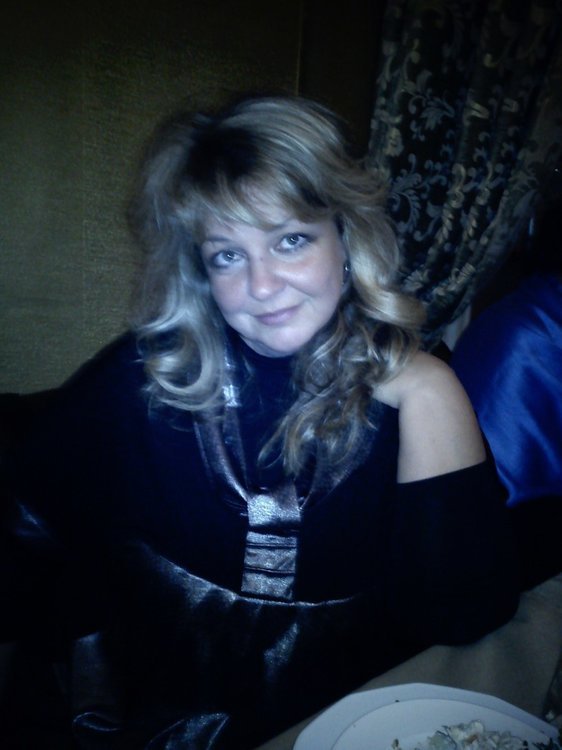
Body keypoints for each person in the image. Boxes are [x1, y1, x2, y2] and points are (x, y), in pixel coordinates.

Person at [1, 94, 518, 749]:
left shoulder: (418, 394)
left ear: (346, 238)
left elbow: (463, 616)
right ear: (201, 271)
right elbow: (23, 530)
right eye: (227, 255)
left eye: (290, 240)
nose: (263, 285)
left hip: (349, 725)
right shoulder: (141, 380)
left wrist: (430, 388)